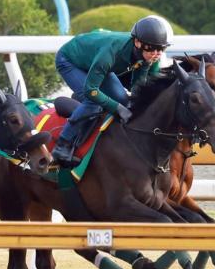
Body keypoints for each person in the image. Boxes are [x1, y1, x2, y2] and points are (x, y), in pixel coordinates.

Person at [49, 14, 173, 166]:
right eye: (151, 49)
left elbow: (139, 89)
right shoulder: (111, 53)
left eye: (160, 49)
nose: (155, 54)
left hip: (95, 63)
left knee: (123, 100)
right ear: (137, 43)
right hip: (70, 60)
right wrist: (117, 108)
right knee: (94, 102)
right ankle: (62, 145)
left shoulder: (149, 55)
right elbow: (91, 90)